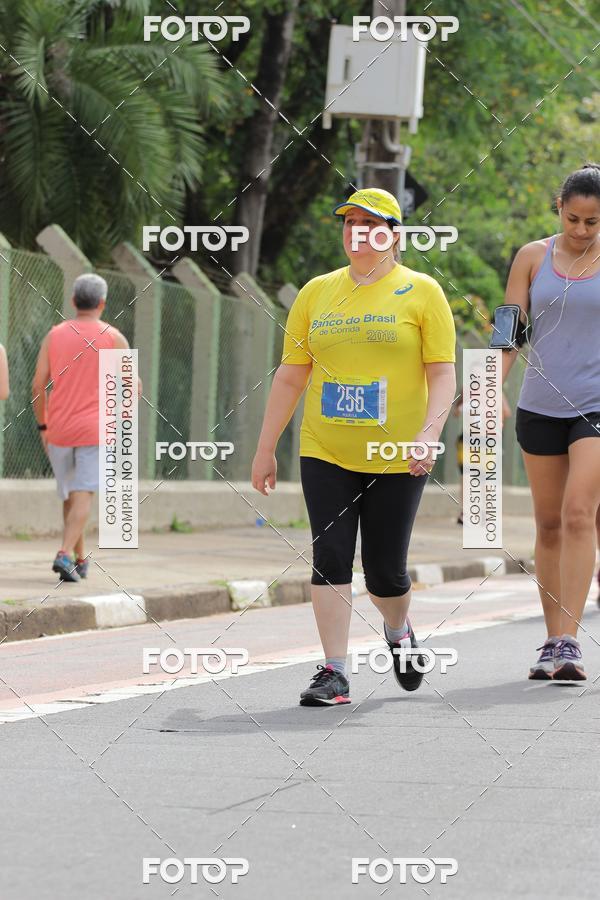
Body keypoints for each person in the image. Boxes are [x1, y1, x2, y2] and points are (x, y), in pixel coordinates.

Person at [251, 187, 457, 706]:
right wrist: (265, 446)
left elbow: (443, 373)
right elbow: (290, 377)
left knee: (386, 571)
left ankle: (398, 630)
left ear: (395, 234)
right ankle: (333, 671)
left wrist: (429, 434)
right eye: (349, 223)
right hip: (326, 448)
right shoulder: (316, 293)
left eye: (371, 223)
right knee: (330, 554)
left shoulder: (422, 291)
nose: (357, 232)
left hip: (398, 454)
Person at [500, 164, 600, 681]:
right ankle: (551, 639)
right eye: (574, 218)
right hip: (539, 404)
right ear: (558, 207)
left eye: (593, 222)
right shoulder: (532, 257)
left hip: (596, 406)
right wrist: (489, 384)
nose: (582, 231)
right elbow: (509, 326)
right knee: (549, 524)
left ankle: (569, 639)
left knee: (580, 512)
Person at [32, 274, 139, 582]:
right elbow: (131, 388)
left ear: (74, 301)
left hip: (59, 428)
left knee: (71, 495)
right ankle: (65, 553)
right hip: (96, 429)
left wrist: (43, 424)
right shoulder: (114, 338)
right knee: (84, 493)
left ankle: (79, 558)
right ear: (102, 303)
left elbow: (38, 384)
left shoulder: (54, 335)